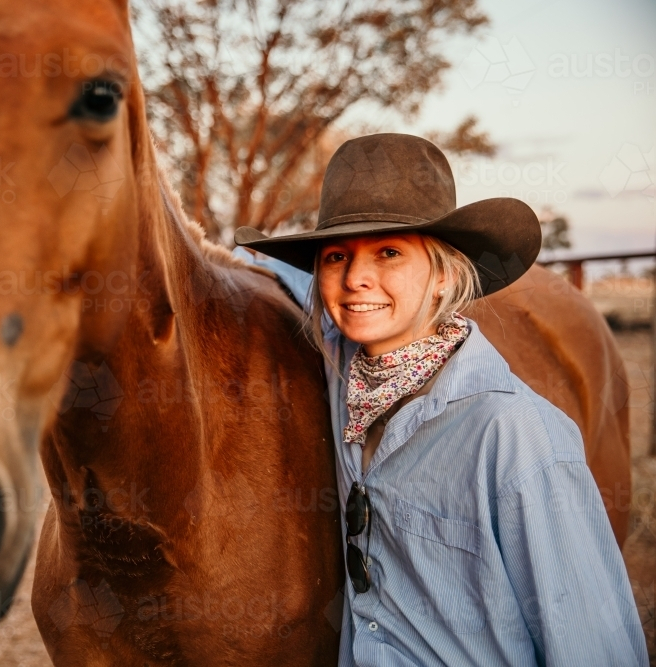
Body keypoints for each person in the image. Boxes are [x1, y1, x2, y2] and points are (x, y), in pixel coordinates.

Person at [231, 133, 647, 666]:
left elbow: (594, 645)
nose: (357, 278)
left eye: (389, 252)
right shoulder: (349, 382)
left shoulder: (516, 435)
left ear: (444, 274)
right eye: (337, 256)